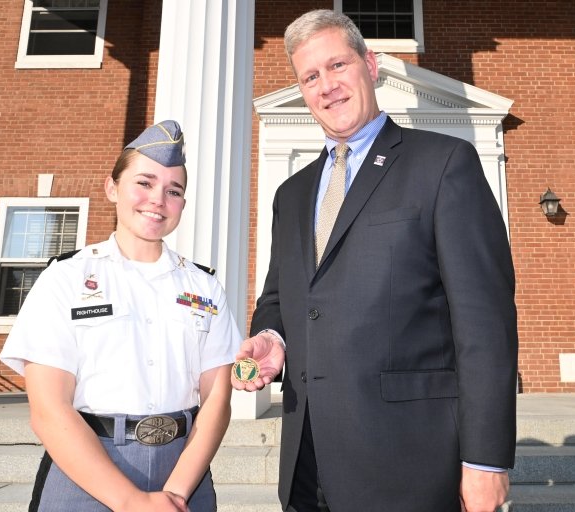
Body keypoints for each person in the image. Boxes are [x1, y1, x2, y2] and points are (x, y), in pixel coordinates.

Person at [232, 9, 518, 512]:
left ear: (372, 65)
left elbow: (484, 324)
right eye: (310, 77)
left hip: (411, 465)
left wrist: (486, 461)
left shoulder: (443, 164)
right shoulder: (292, 194)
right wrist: (272, 338)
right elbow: (282, 297)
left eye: (337, 65)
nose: (327, 86)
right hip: (307, 464)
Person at [0, 120, 241, 512]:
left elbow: (217, 397)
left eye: (173, 191)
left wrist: (176, 494)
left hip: (184, 471)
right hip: (85, 467)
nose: (158, 200)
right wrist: (131, 502)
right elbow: (48, 408)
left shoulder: (205, 287)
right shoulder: (65, 278)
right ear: (112, 188)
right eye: (144, 183)